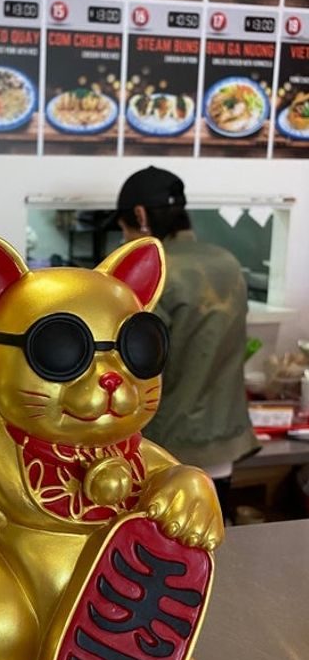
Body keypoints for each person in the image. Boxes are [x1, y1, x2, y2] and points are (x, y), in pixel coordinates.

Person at [115, 166, 259, 520]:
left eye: (124, 229)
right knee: (212, 534)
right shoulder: (228, 263)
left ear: (140, 215)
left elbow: (134, 367)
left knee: (160, 544)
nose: (125, 240)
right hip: (224, 443)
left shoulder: (154, 272)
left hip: (165, 448)